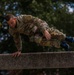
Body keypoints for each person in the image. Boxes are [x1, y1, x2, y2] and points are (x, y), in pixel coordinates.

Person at [4, 14, 74, 57]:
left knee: (50, 33)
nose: (11, 25)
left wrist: (44, 30)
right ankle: (62, 44)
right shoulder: (12, 30)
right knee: (40, 40)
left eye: (12, 22)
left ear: (15, 19)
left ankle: (67, 38)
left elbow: (36, 20)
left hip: (39, 26)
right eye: (9, 24)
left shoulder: (22, 18)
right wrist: (19, 50)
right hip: (32, 34)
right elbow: (17, 39)